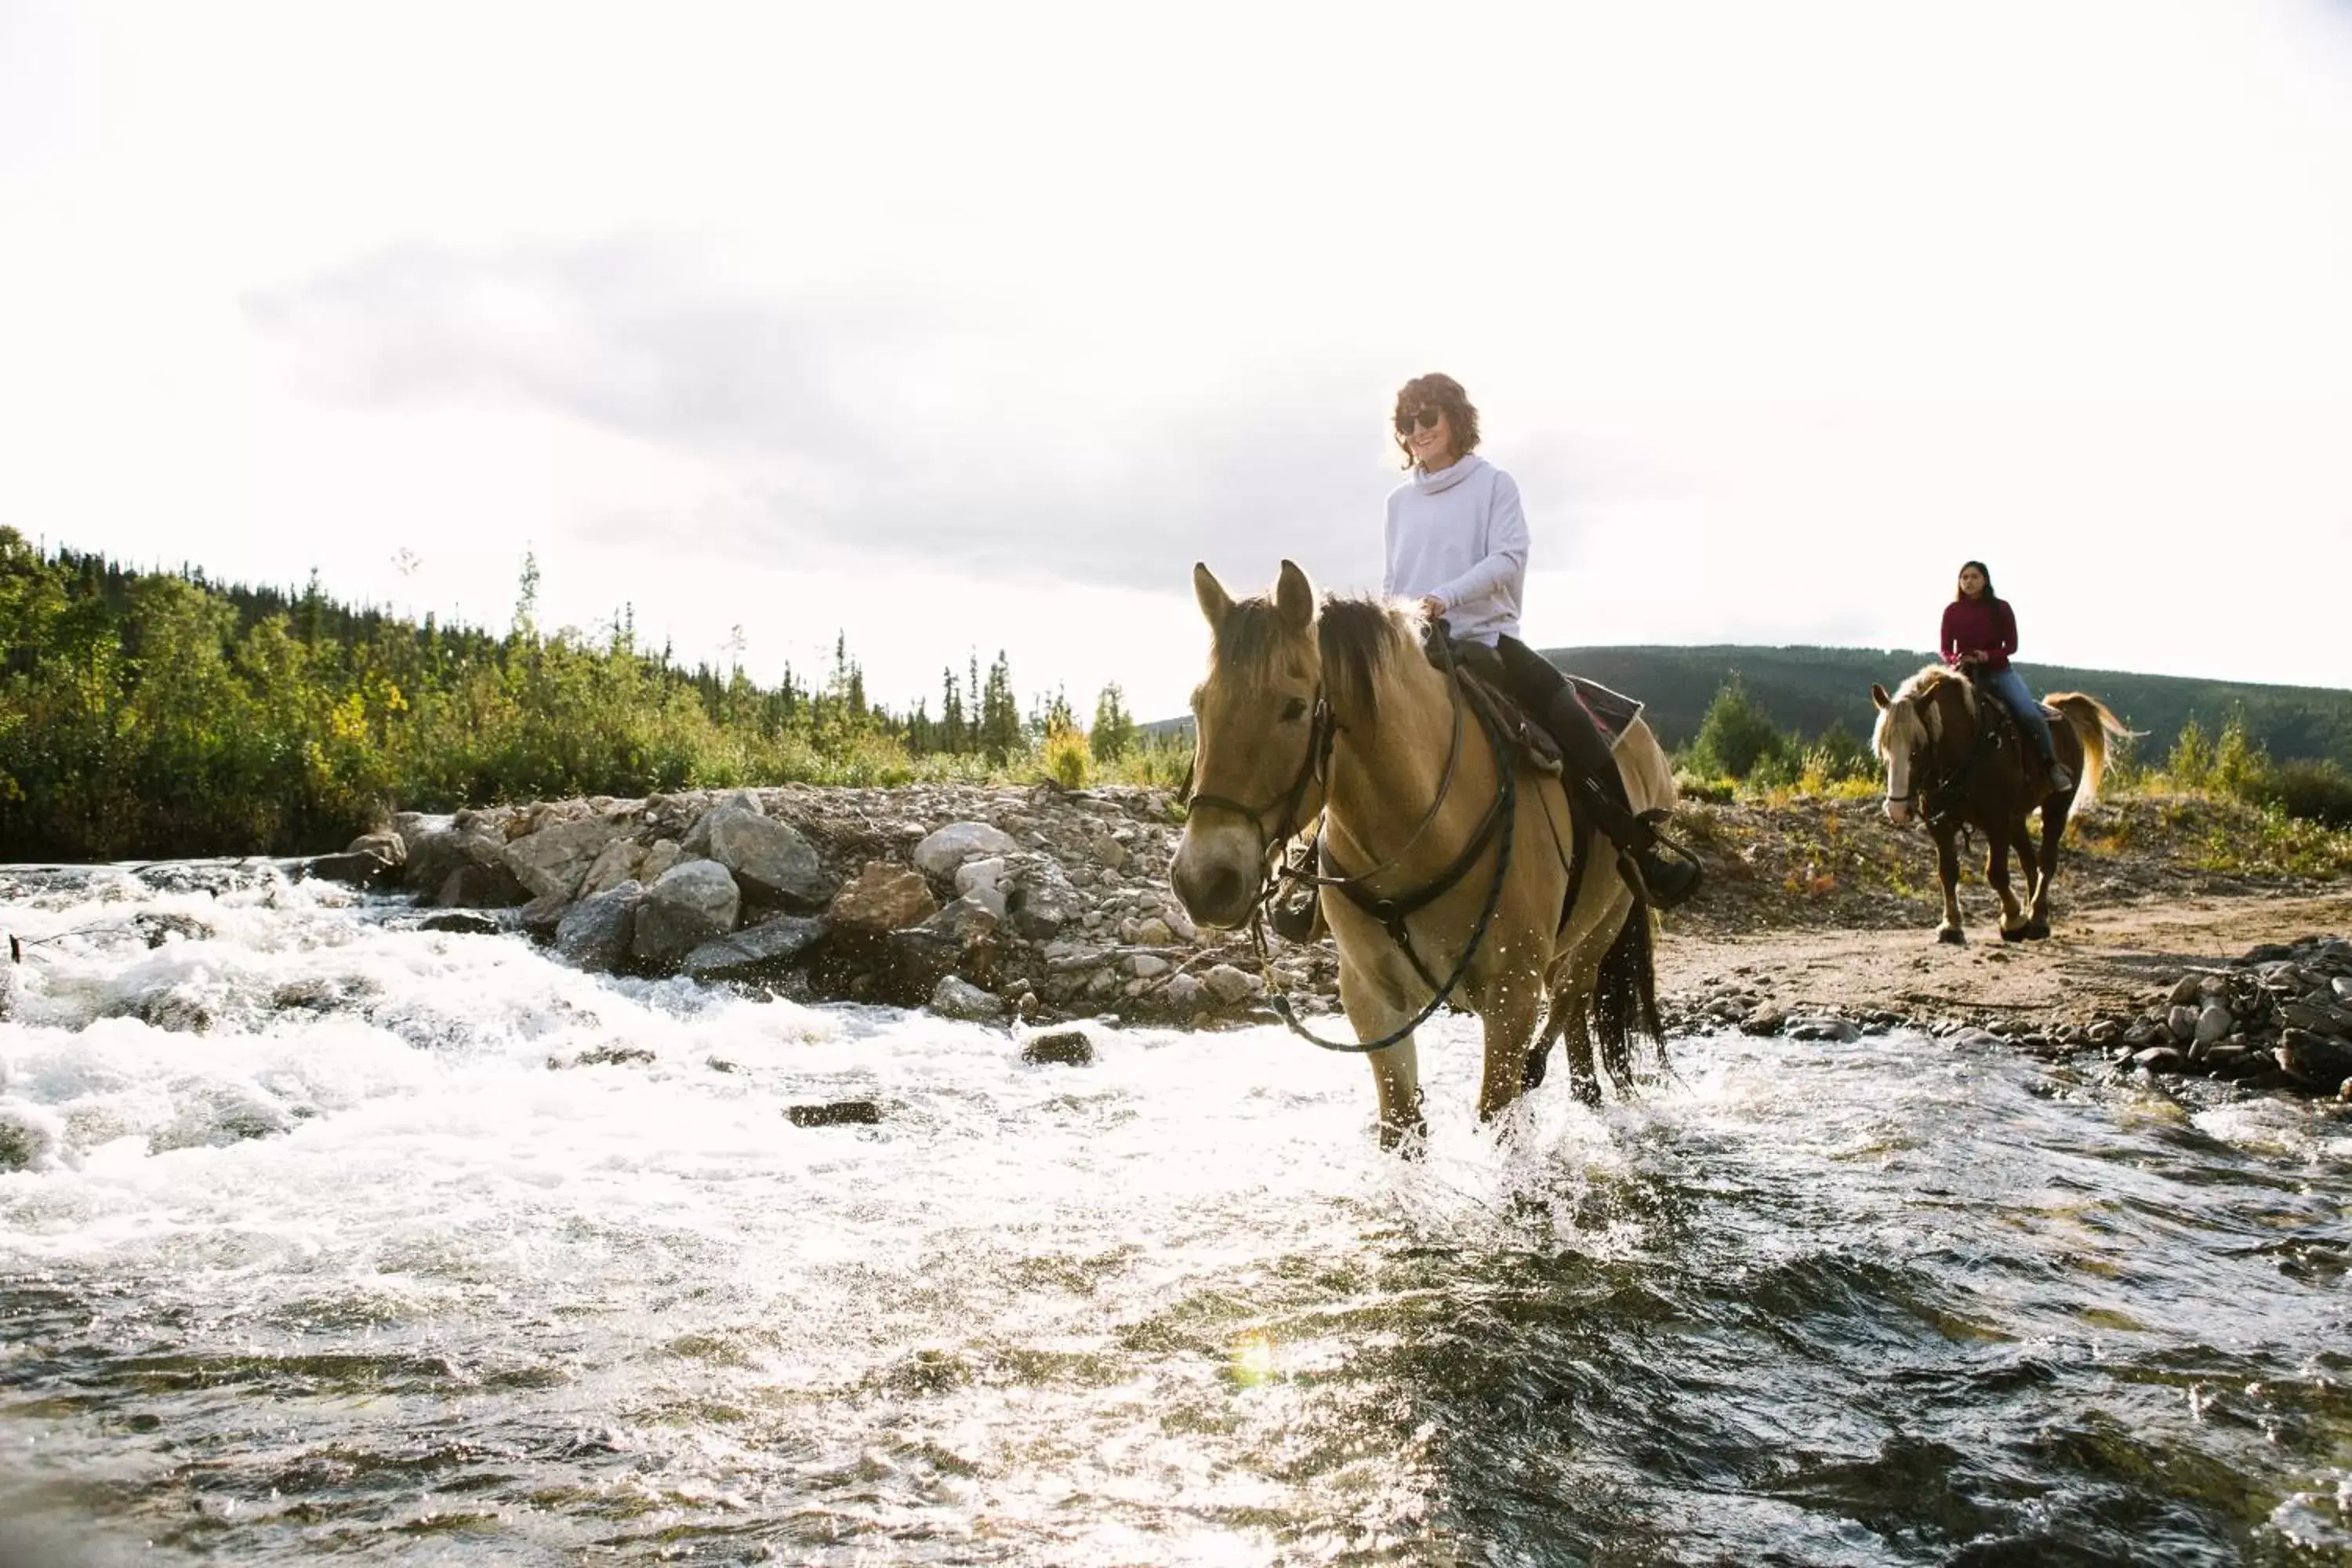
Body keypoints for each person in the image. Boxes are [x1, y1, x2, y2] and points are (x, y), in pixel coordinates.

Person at [1382, 372, 1701, 909]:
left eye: (1427, 417)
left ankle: (1640, 852)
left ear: (1456, 420)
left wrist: (1444, 598)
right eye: (1406, 422)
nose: (1417, 431)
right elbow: (1394, 582)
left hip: (1486, 641)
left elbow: (1507, 559)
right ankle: (1315, 883)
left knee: (1569, 715)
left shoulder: (1493, 485)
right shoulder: (1398, 503)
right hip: (1414, 649)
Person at [1940, 559, 2074, 793]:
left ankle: (2052, 766)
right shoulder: (1952, 611)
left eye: (1974, 577)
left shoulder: (2000, 608)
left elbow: (2011, 645)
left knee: (2028, 715)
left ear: (1985, 580)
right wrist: (1954, 660)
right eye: (1964, 578)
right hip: (1964, 674)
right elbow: (1945, 648)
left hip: (1999, 672)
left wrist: (1987, 655)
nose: (1968, 582)